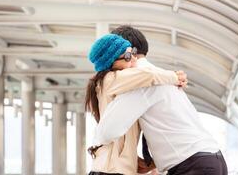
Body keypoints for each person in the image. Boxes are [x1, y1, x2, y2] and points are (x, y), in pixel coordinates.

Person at [92, 25, 228, 175]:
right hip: (211, 160)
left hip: (193, 166)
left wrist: (99, 147)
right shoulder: (161, 75)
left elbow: (108, 131)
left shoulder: (140, 82)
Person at [86, 33, 187, 175]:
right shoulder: (109, 79)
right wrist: (175, 77)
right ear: (111, 63)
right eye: (127, 57)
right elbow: (147, 75)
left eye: (133, 53)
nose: (134, 60)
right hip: (111, 170)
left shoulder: (116, 85)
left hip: (112, 169)